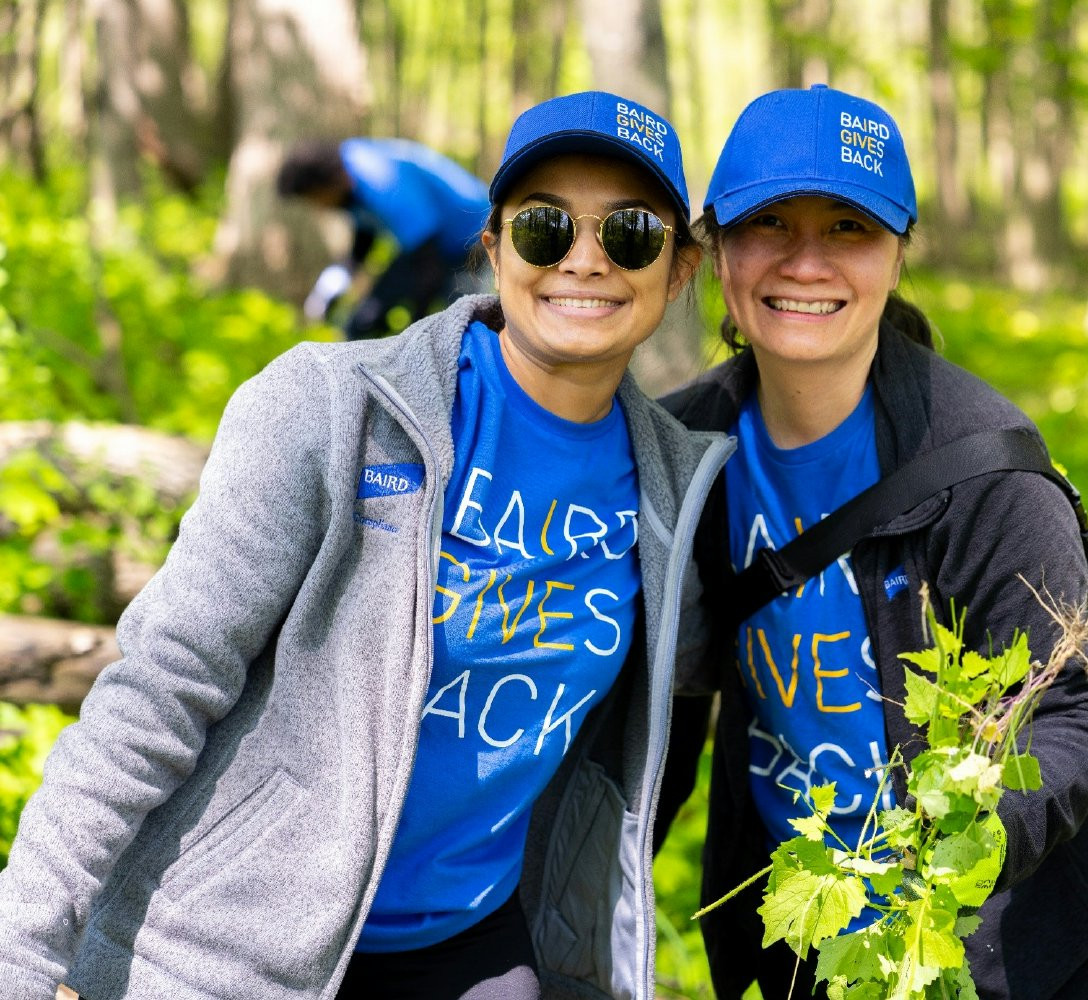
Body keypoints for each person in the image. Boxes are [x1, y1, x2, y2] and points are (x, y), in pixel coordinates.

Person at [0, 90, 730, 1000]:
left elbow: (725, 660)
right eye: (546, 228)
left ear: (682, 267)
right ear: (495, 246)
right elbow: (156, 690)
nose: (584, 260)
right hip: (233, 949)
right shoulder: (330, 410)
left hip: (475, 945)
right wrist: (23, 956)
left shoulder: (677, 488)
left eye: (629, 232)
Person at [660, 84, 1088, 1000]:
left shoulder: (988, 473)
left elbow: (1072, 713)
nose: (805, 262)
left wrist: (952, 862)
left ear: (897, 256)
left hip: (1016, 958)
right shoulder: (682, 454)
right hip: (806, 944)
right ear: (717, 252)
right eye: (769, 222)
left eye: (848, 230)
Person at [277, 137, 491, 340]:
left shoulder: (380, 181)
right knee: (363, 322)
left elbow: (429, 267)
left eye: (313, 199)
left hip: (473, 238)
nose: (317, 207)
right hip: (430, 245)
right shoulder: (348, 169)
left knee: (461, 328)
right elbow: (364, 238)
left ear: (322, 186)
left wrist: (413, 330)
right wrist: (335, 281)